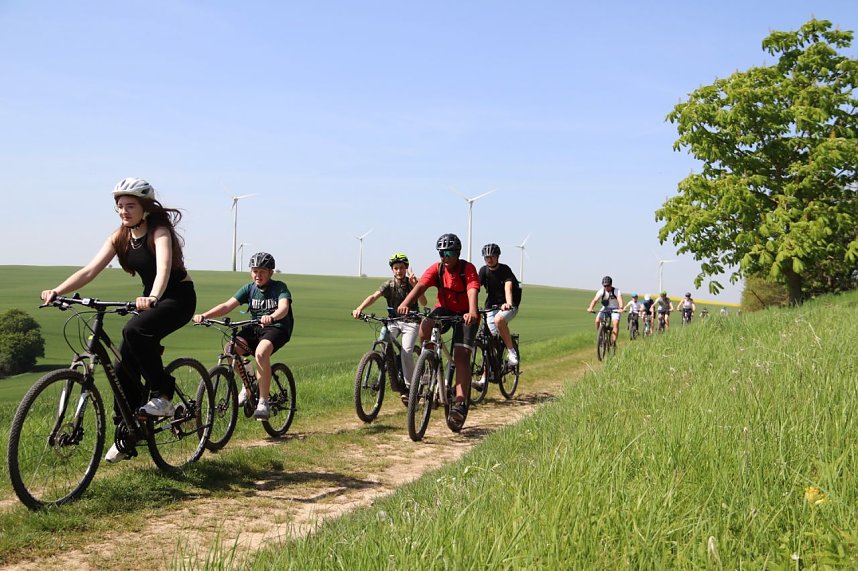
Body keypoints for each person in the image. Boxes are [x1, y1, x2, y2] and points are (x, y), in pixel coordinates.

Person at [40, 177, 196, 462]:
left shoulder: (159, 232)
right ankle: (128, 431)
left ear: (145, 208)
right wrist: (57, 291)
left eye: (130, 206)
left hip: (177, 298)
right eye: (120, 207)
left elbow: (162, 270)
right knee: (122, 362)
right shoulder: (119, 236)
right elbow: (89, 270)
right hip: (151, 298)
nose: (124, 211)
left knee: (134, 330)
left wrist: (153, 297)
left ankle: (163, 393)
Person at [193, 252, 294, 421]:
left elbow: (283, 308)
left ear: (270, 272)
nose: (257, 275)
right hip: (256, 327)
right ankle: (248, 380)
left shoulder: (279, 287)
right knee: (230, 349)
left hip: (277, 327)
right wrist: (205, 315)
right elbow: (227, 306)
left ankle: (263, 401)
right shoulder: (249, 289)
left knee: (261, 353)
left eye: (262, 271)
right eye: (254, 271)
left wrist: (273, 317)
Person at [397, 233, 479, 430]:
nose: (445, 256)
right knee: (425, 325)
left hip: (466, 313)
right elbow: (421, 285)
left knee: (461, 356)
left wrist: (473, 311)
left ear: (457, 253)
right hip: (445, 309)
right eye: (442, 253)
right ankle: (428, 362)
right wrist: (405, 303)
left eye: (449, 252)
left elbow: (472, 289)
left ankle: (459, 401)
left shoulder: (467, 269)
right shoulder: (437, 268)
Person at [352, 252, 427, 403]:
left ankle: (410, 388)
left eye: (401, 268)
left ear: (406, 268)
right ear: (392, 270)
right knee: (382, 344)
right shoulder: (389, 285)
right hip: (393, 321)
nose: (399, 271)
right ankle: (389, 368)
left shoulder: (413, 282)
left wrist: (415, 285)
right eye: (396, 268)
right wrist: (359, 308)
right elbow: (374, 296)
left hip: (411, 322)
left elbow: (424, 302)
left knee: (406, 352)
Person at [477, 243, 522, 366]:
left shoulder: (504, 269)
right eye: (486, 257)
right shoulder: (483, 271)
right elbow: (475, 288)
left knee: (499, 320)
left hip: (509, 305)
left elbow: (508, 287)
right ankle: (487, 372)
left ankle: (512, 352)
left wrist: (508, 303)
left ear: (497, 257)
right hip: (491, 306)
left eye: (492, 256)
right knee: (489, 340)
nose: (489, 259)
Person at [586, 276, 624, 343]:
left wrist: (621, 308)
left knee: (615, 323)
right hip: (606, 307)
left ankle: (613, 342)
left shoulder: (616, 291)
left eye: (608, 286)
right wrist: (590, 308)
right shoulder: (601, 291)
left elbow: (620, 300)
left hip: (615, 308)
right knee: (597, 321)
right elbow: (595, 300)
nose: (606, 287)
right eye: (604, 286)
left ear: (611, 284)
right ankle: (600, 336)